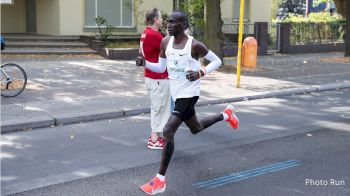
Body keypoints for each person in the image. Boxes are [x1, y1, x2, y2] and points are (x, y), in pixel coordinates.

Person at [139, 10, 239, 195]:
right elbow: (161, 67)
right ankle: (226, 115)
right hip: (176, 94)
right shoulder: (165, 42)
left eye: (173, 22)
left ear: (183, 25)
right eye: (167, 21)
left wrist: (200, 73)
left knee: (168, 130)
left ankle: (160, 180)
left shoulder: (195, 45)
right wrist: (145, 63)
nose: (168, 24)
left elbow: (216, 61)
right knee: (196, 128)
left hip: (190, 93)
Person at [139, 8, 171, 150]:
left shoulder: (146, 33)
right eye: (160, 17)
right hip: (158, 77)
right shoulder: (154, 35)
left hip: (152, 76)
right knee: (159, 108)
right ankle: (154, 140)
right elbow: (170, 47)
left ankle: (156, 137)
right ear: (156, 20)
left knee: (157, 107)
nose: (162, 20)